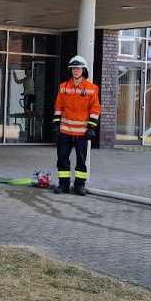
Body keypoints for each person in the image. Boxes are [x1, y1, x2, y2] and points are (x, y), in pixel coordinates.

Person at [53, 55, 100, 196]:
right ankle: (63, 185)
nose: (76, 70)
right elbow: (58, 107)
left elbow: (95, 109)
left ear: (83, 70)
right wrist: (56, 125)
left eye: (78, 68)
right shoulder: (63, 88)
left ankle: (79, 186)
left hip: (82, 132)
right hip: (65, 131)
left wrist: (91, 128)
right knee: (62, 158)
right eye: (73, 68)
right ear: (71, 70)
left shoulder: (92, 89)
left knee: (81, 161)